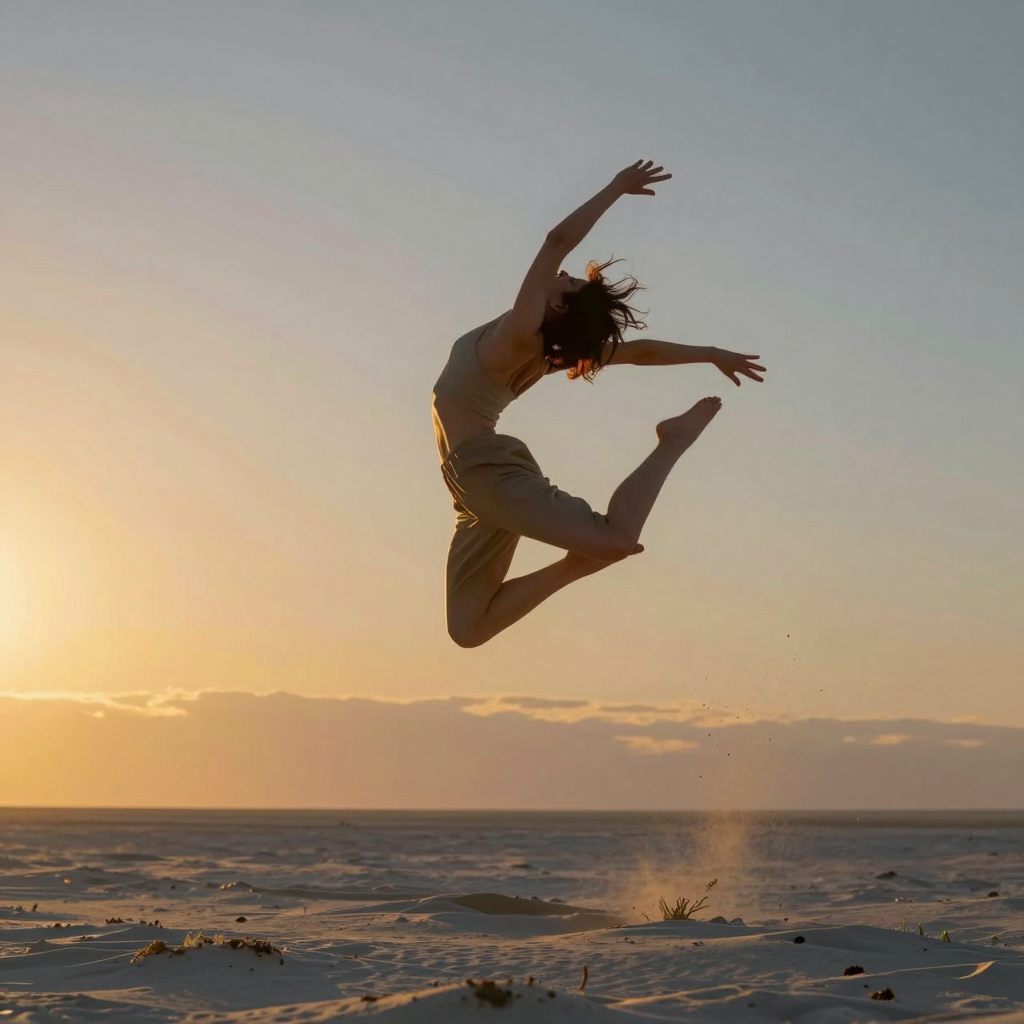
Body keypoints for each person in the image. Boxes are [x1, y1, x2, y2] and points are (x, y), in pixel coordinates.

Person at [431, 160, 765, 647]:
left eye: (567, 283)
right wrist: (709, 353)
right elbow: (639, 352)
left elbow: (555, 242)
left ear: (559, 305)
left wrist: (615, 188)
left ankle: (672, 441)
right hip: (470, 488)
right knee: (468, 629)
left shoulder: (520, 335)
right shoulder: (544, 352)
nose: (560, 274)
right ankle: (577, 562)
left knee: (617, 540)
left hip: (487, 470)